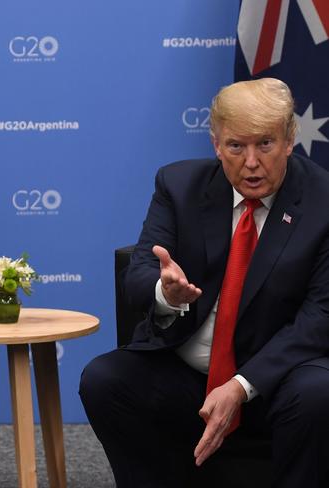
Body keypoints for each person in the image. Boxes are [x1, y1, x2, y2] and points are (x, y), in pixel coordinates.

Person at [79, 78, 329, 487]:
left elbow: (320, 316)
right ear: (216, 145)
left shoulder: (322, 201)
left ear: (288, 141)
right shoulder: (178, 186)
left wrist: (241, 386)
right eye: (236, 146)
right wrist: (166, 294)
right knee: (105, 380)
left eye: (265, 144)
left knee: (320, 394)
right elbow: (141, 272)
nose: (251, 162)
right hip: (189, 377)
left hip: (277, 380)